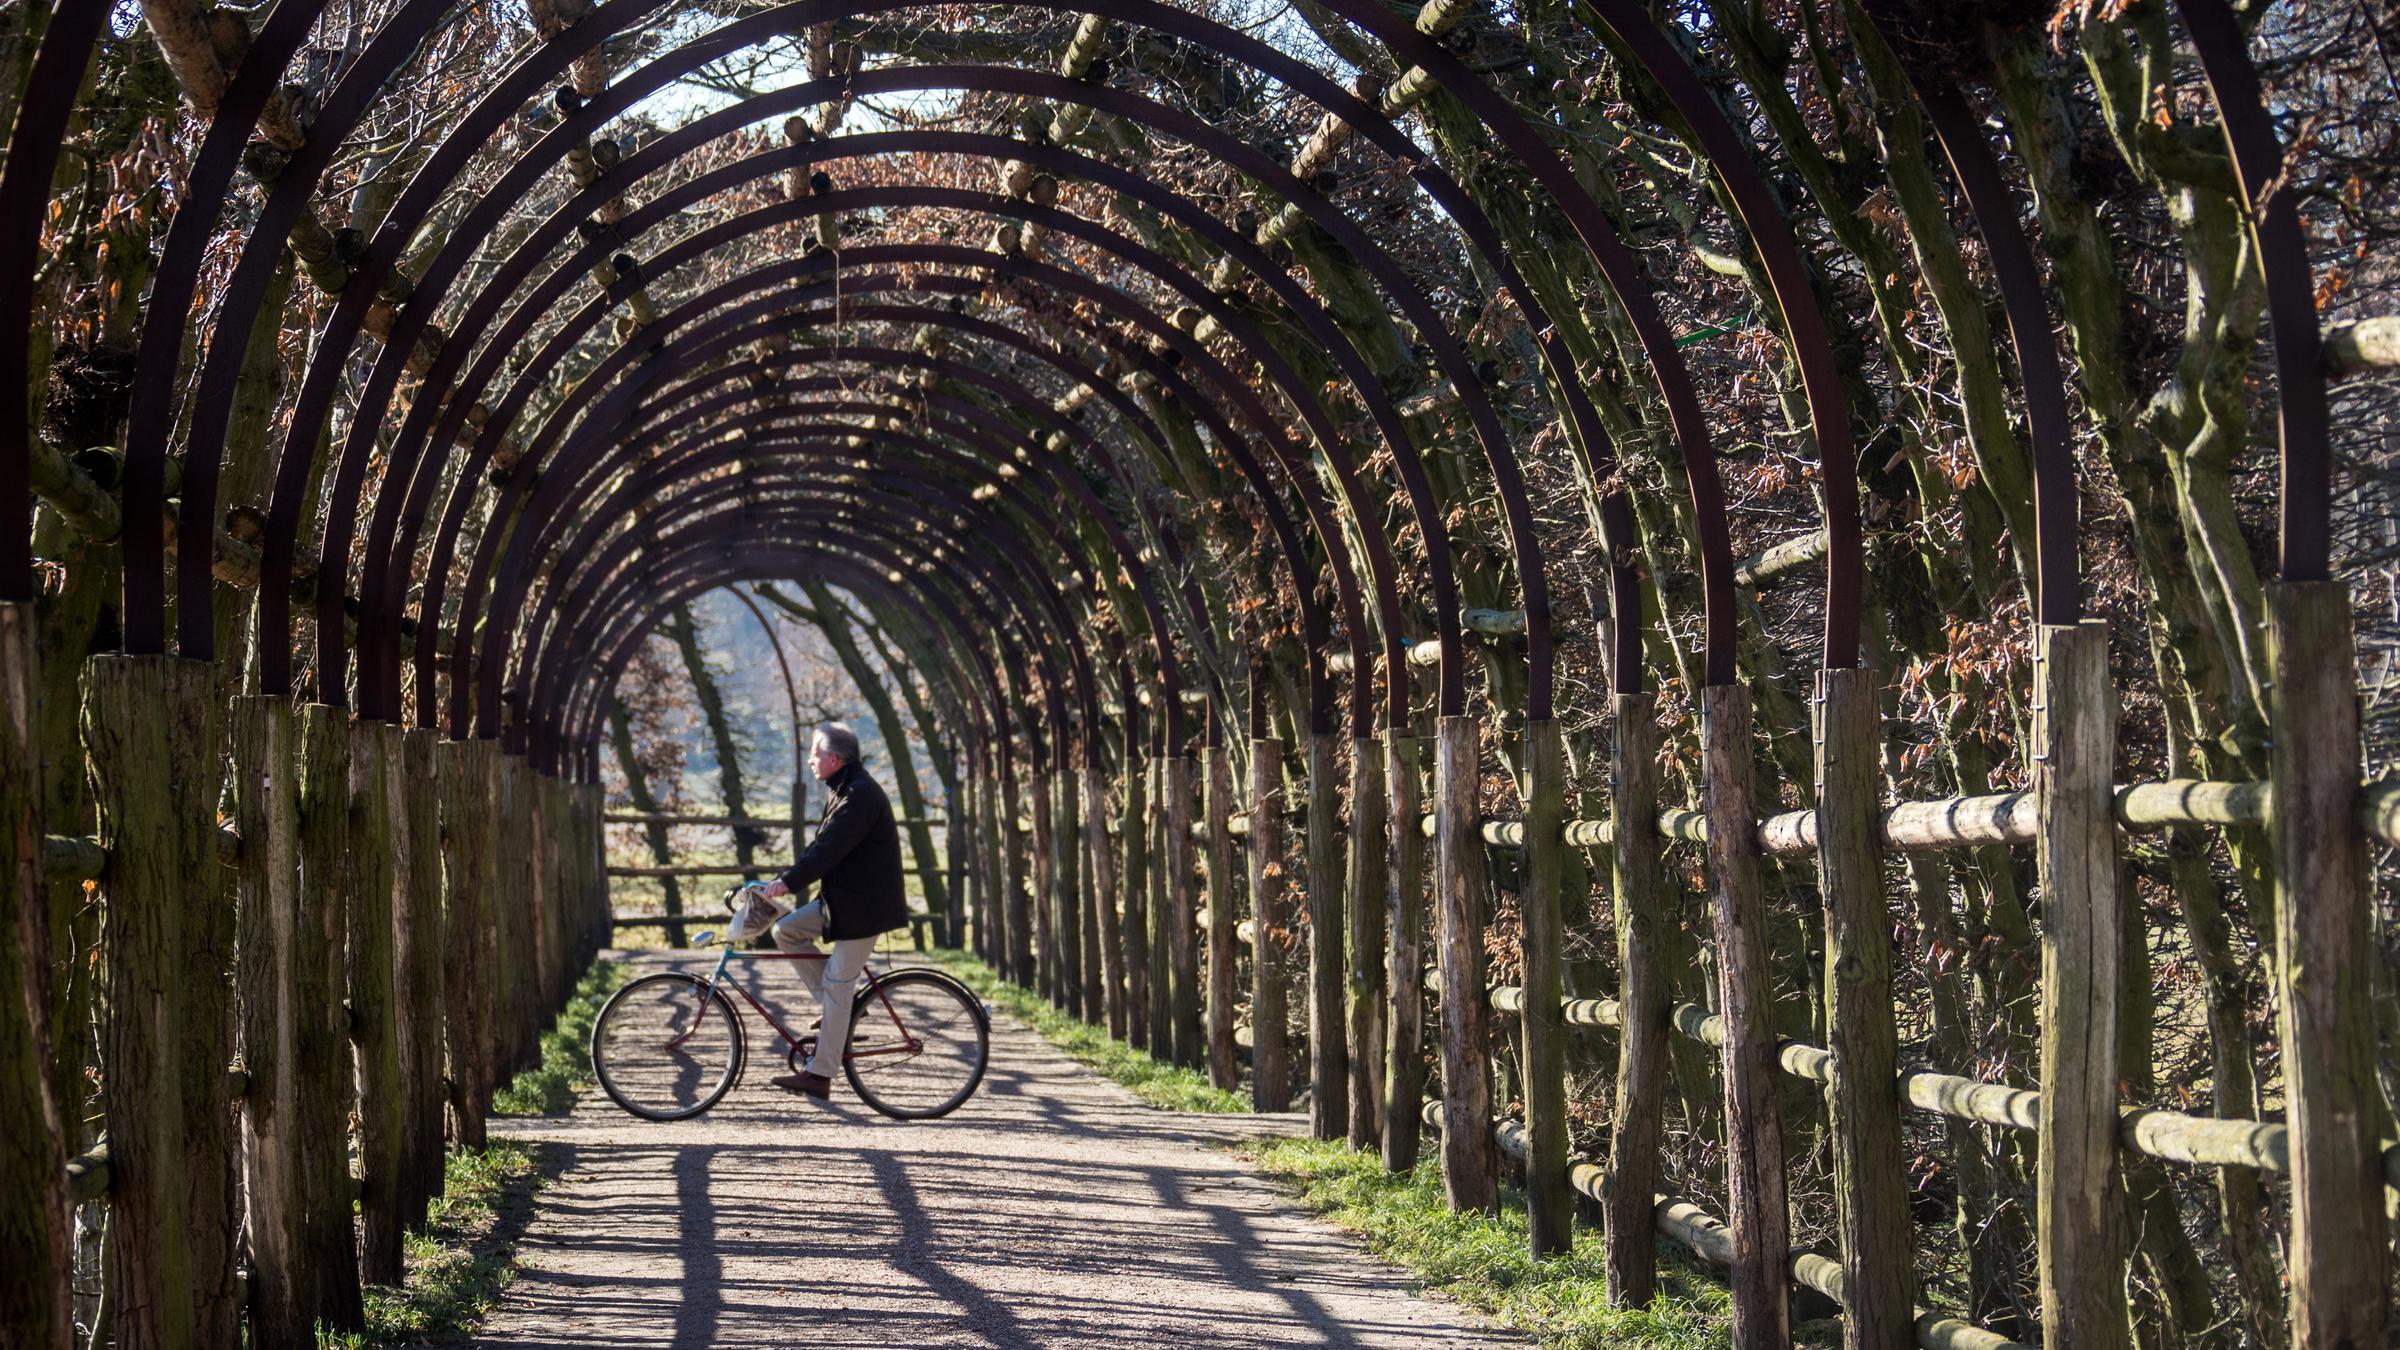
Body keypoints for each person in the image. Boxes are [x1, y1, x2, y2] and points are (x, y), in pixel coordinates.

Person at [757, 722, 909, 1097]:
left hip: (864, 908)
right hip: (843, 901)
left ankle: (820, 1074)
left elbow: (829, 850)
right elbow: (821, 846)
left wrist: (787, 883)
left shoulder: (859, 795)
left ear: (835, 758)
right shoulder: (842, 789)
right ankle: (841, 1014)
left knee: (839, 984)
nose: (811, 760)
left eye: (815, 753)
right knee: (786, 930)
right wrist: (784, 878)